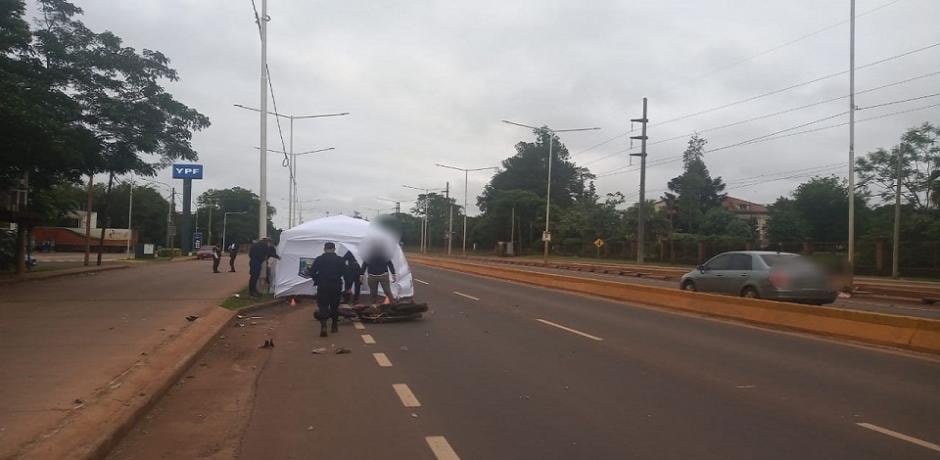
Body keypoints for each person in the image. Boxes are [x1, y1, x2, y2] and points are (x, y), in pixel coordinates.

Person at [307, 242, 346, 337]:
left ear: (324, 249)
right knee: (334, 306)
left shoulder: (319, 259)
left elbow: (312, 272)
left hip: (323, 285)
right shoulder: (339, 260)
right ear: (334, 249)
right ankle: (334, 326)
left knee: (323, 306)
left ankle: (323, 326)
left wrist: (317, 279)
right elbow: (345, 272)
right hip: (336, 285)